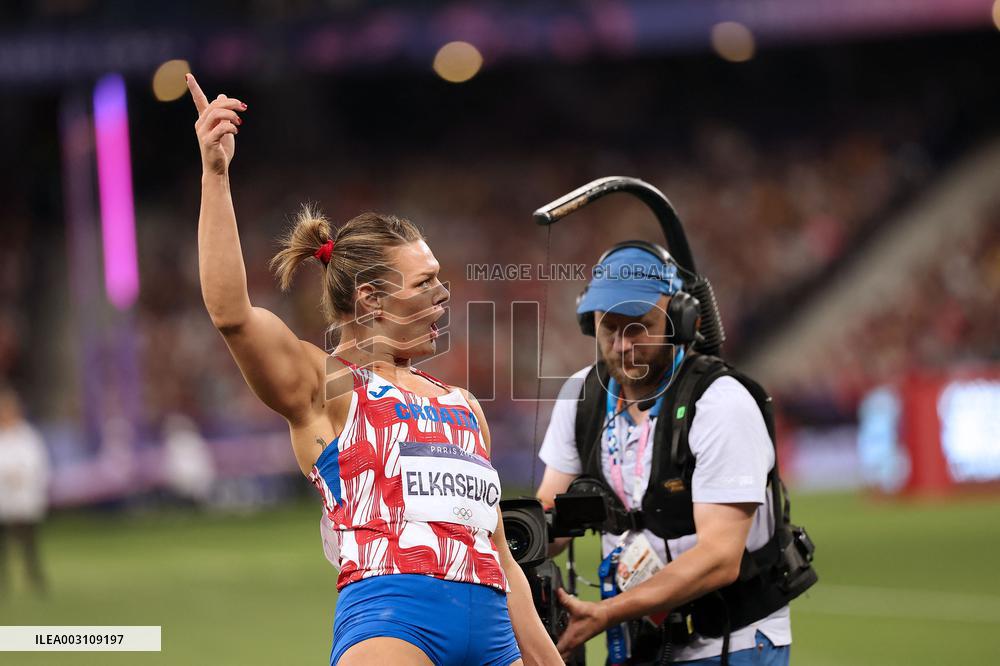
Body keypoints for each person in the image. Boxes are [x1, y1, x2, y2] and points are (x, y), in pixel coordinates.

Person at [185, 73, 561, 666]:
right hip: (393, 624)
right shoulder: (328, 388)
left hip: (493, 635)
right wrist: (215, 176)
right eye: (425, 281)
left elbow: (501, 560)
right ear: (371, 298)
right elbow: (232, 314)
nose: (443, 293)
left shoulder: (464, 407)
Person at [536, 242, 806, 665]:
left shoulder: (720, 403)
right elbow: (552, 516)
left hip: (729, 644)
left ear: (678, 319)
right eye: (611, 328)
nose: (624, 345)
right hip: (635, 641)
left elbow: (720, 558)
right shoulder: (581, 395)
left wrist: (605, 613)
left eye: (639, 327)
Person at [0, 386, 49, 596]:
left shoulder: (28, 436)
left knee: (29, 543)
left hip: (24, 497)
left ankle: (34, 579)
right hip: (3, 497)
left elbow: (38, 464)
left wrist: (22, 475)